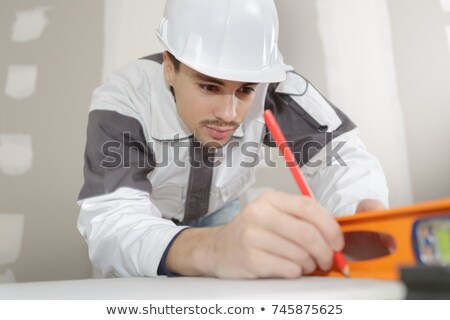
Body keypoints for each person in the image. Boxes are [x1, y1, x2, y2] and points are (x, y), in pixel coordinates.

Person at [77, 0, 388, 279]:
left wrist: (356, 210)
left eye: (244, 90)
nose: (228, 113)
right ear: (170, 68)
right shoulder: (123, 100)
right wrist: (212, 249)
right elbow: (114, 220)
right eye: (210, 87)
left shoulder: (272, 86)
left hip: (223, 212)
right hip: (148, 220)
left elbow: (339, 155)